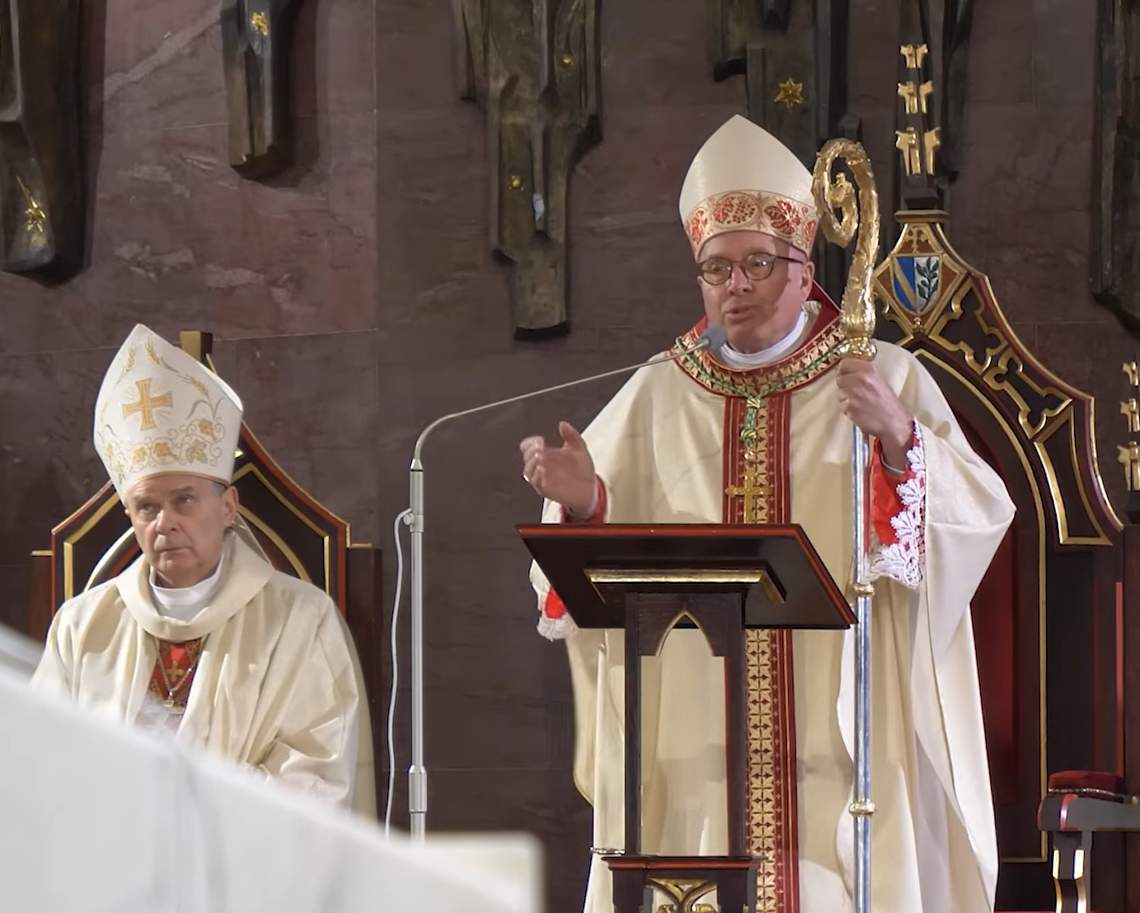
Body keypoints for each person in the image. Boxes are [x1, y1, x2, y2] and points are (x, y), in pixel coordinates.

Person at [520, 115, 1015, 913]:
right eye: (716, 268)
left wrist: (898, 441)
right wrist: (585, 505)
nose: (735, 285)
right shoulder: (658, 390)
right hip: (698, 755)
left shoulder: (881, 374)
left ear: (802, 263)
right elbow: (584, 583)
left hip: (847, 747)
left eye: (756, 262)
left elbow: (977, 514)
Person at [32, 324, 365, 809]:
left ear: (228, 507)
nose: (165, 523)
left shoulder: (302, 619)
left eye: (183, 500)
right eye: (146, 507)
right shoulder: (82, 626)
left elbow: (316, 775)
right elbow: (40, 763)